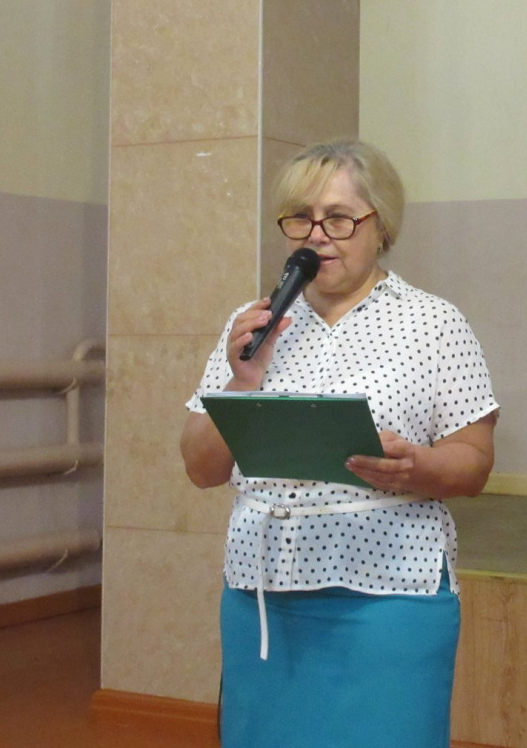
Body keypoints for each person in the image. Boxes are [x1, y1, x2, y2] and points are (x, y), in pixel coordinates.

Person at [179, 140, 499, 748]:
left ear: (382, 227)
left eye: (339, 219)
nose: (317, 236)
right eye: (301, 219)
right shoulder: (253, 325)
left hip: (388, 593)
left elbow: (475, 463)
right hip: (263, 591)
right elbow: (200, 467)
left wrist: (418, 467)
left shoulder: (434, 323)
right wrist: (241, 382)